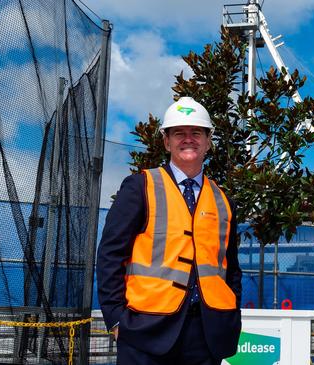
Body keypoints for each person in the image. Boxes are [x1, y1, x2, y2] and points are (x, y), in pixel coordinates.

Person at [97, 96, 242, 364]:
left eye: (196, 132)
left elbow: (230, 268)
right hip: (145, 330)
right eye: (179, 133)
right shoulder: (140, 186)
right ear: (166, 141)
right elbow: (110, 255)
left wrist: (231, 314)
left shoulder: (223, 200)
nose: (188, 139)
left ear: (209, 141)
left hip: (207, 334)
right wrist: (116, 319)